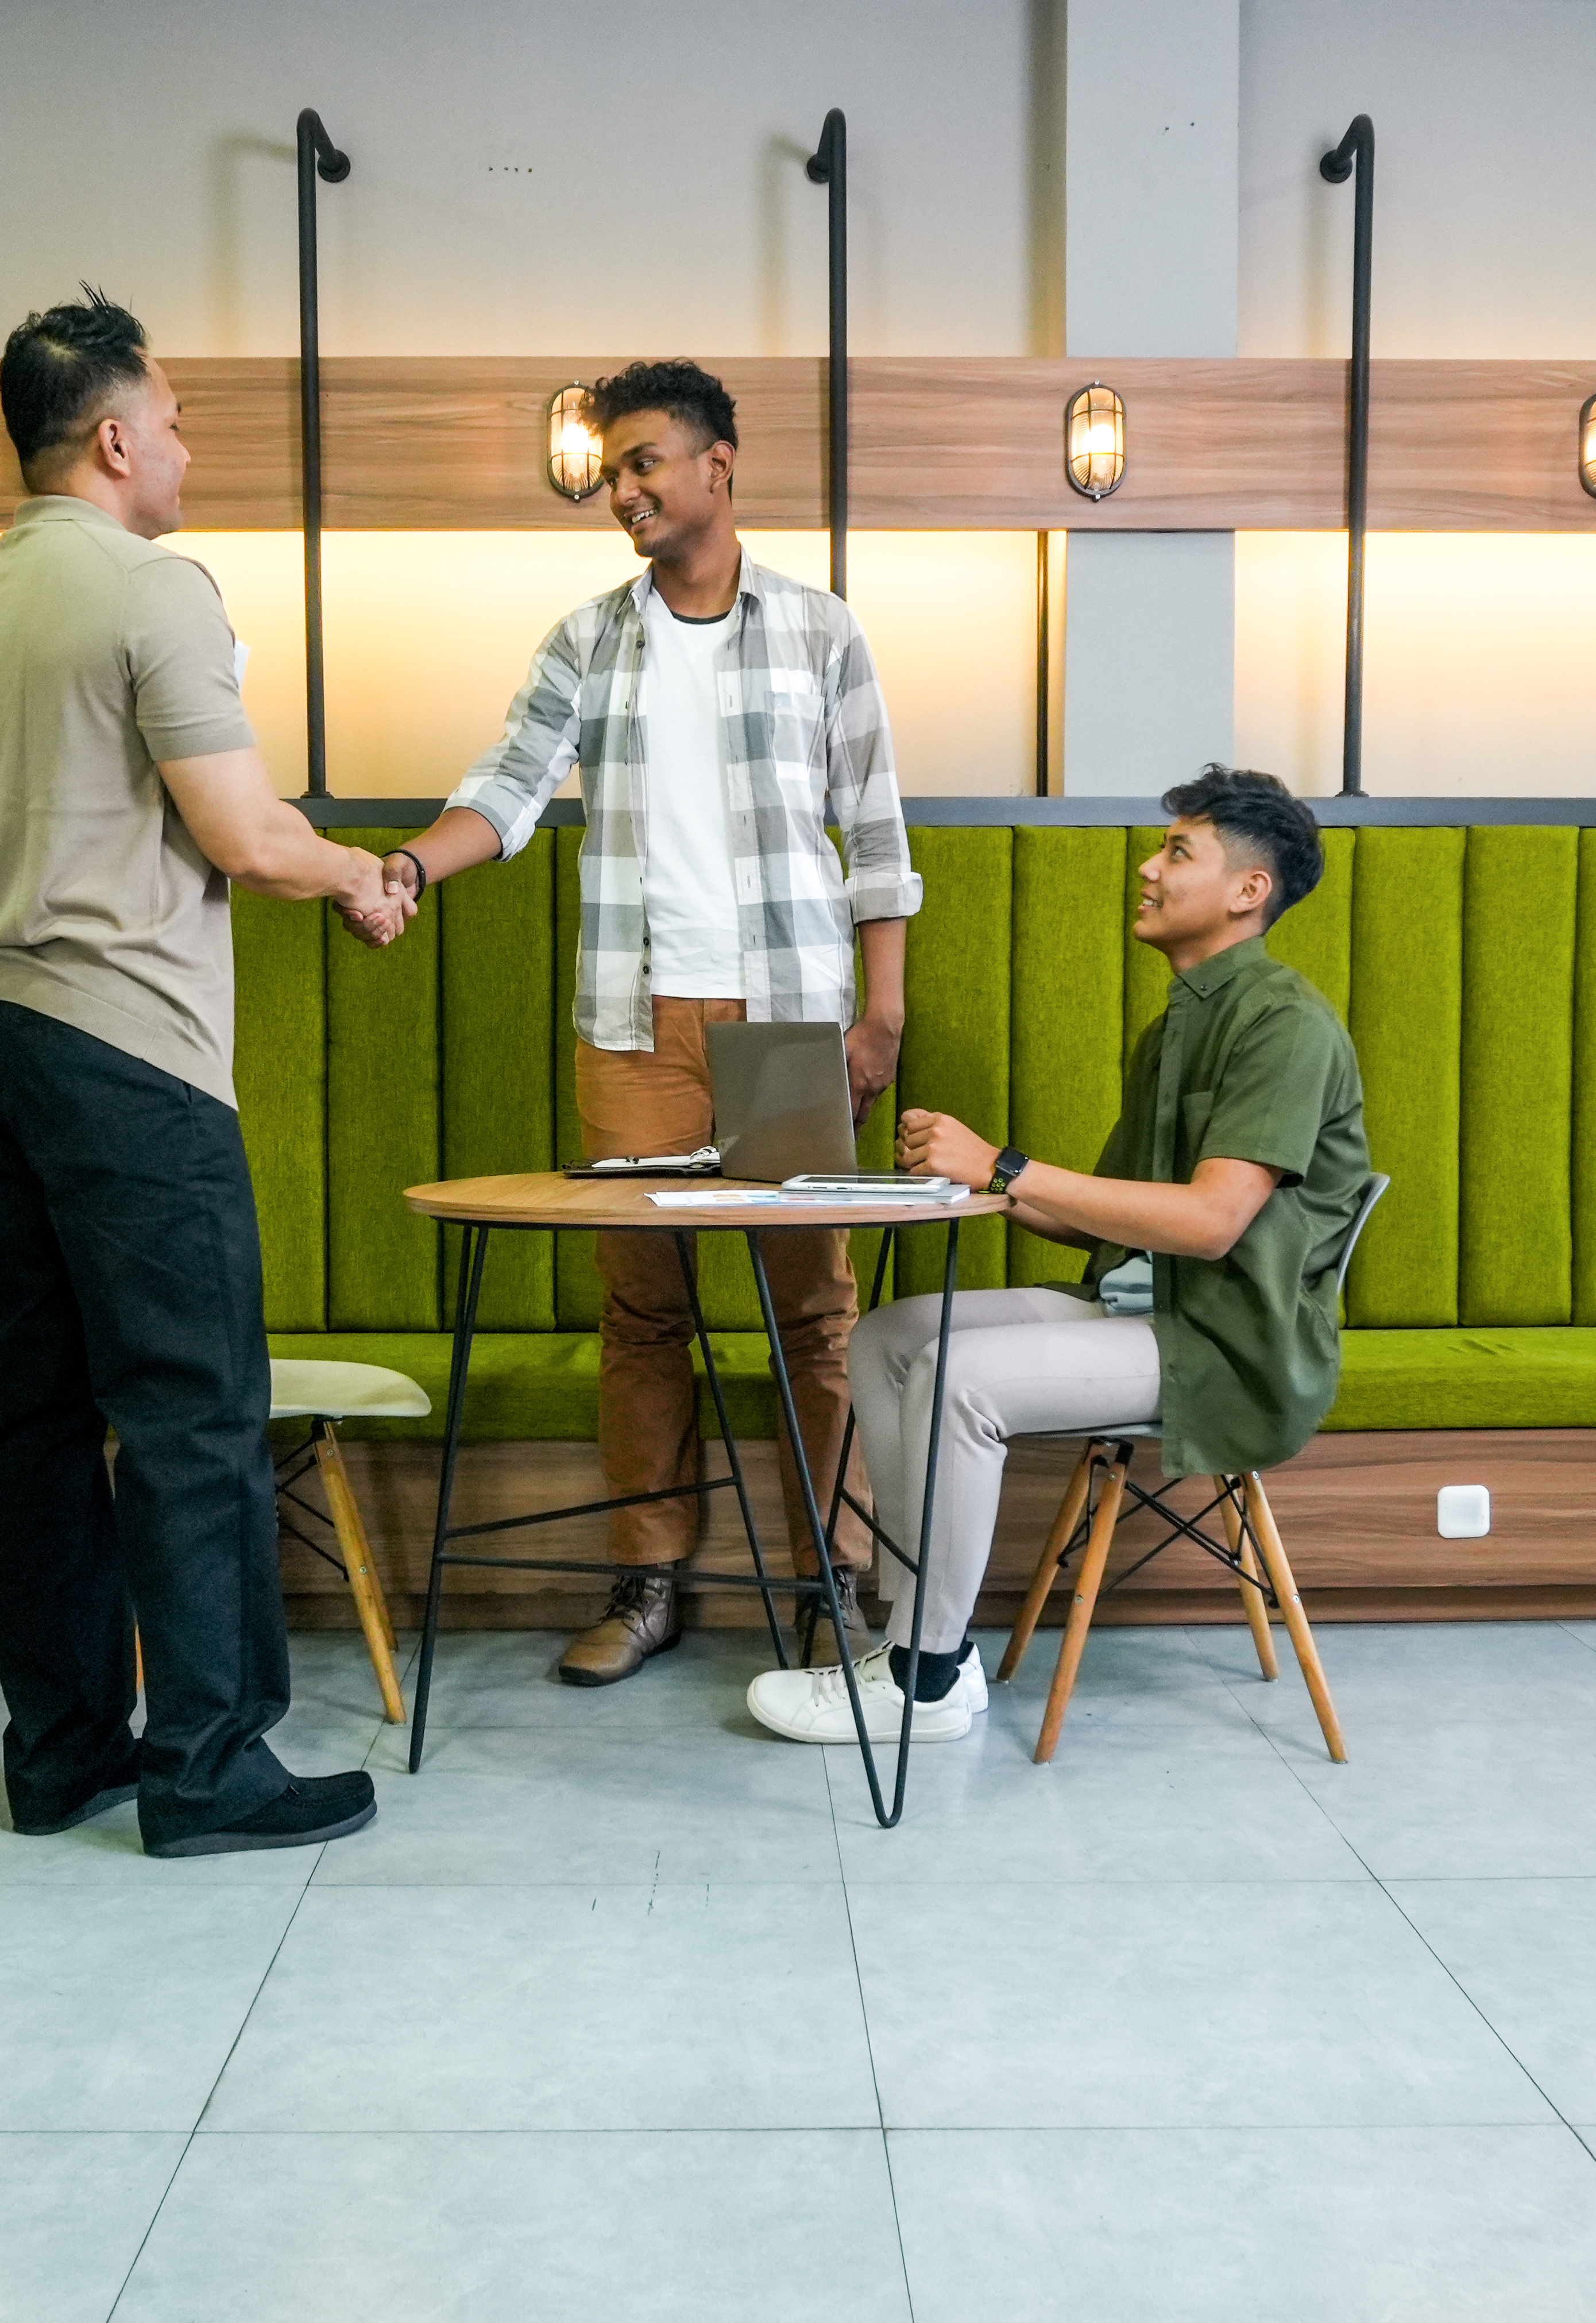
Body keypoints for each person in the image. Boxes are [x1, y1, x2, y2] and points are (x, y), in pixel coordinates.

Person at [0, 286, 404, 1854]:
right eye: (178, 420)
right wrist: (362, 876)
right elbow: (247, 836)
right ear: (117, 438)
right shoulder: (153, 588)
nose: (189, 447)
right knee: (195, 1410)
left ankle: (62, 1752)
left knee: (43, 1416)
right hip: (130, 1049)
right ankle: (209, 1768)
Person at [371, 360, 920, 1687]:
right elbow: (509, 784)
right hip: (633, 1023)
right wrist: (408, 869)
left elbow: (876, 830)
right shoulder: (586, 640)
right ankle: (649, 1580)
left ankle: (830, 1582)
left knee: (812, 1317)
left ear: (716, 467)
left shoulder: (819, 630)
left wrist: (882, 1013)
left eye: (642, 463)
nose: (621, 490)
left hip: (788, 1019)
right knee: (643, 1315)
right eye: (612, 470)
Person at [742, 767, 1370, 1744]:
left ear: (1250, 890)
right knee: (887, 1339)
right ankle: (919, 1641)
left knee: (958, 1378)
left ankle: (924, 1679)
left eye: (1179, 852)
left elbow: (1210, 1223)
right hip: (1147, 1305)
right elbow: (1108, 1222)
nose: (1148, 867)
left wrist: (1005, 1166)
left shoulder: (1282, 1025)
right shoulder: (1179, 1024)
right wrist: (965, 1177)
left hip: (1228, 1342)